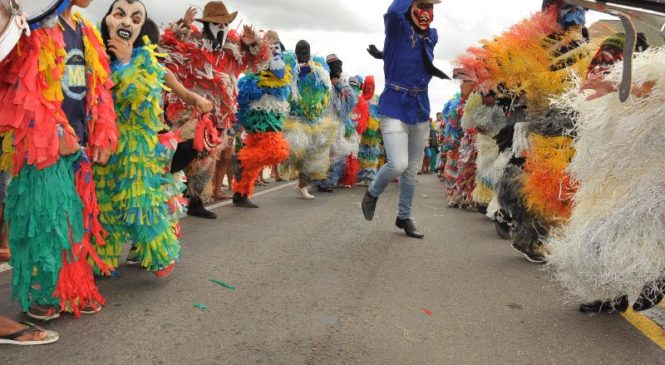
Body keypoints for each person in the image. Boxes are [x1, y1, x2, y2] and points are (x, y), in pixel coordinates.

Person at [0, 0, 118, 320]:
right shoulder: (36, 26)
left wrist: (102, 132)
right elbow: (21, 89)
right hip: (40, 145)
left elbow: (99, 90)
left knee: (75, 223)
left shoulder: (86, 30)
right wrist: (54, 131)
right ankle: (43, 292)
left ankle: (70, 290)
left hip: (77, 143)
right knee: (46, 221)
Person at [94, 0, 187, 279]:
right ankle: (103, 258)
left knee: (140, 202)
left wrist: (125, 62)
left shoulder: (145, 60)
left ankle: (161, 253)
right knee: (104, 203)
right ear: (108, 19)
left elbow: (143, 102)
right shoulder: (95, 55)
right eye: (120, 14)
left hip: (134, 146)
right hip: (102, 143)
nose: (126, 23)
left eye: (135, 19)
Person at [160, 1, 269, 219]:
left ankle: (195, 201)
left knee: (207, 158)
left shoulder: (233, 50)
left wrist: (253, 43)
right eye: (216, 24)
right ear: (206, 25)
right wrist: (180, 28)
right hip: (191, 110)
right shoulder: (193, 43)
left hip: (220, 115)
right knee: (189, 145)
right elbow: (163, 51)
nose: (221, 28)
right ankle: (163, 184)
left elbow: (258, 63)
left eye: (225, 24)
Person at [361, 0, 449, 239]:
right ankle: (372, 192)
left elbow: (413, 58)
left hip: (420, 109)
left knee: (411, 172)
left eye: (430, 8)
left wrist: (386, 54)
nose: (426, 13)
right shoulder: (397, 25)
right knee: (398, 164)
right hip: (395, 106)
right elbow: (393, 12)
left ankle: (404, 216)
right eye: (421, 6)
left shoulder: (431, 36)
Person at [232, 31, 291, 208]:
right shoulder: (257, 68)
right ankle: (241, 162)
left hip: (270, 114)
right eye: (271, 44)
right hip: (259, 115)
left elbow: (281, 77)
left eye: (276, 44)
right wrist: (240, 120)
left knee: (256, 154)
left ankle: (240, 194)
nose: (274, 47)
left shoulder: (276, 60)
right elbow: (242, 97)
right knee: (276, 150)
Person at [281, 40, 336, 200]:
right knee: (297, 151)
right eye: (300, 50)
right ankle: (298, 182)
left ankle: (302, 186)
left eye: (306, 50)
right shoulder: (290, 67)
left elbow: (327, 86)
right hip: (295, 118)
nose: (303, 53)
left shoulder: (318, 68)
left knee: (312, 157)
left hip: (314, 121)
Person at [313, 54, 358, 192]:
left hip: (337, 123)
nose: (338, 68)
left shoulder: (342, 83)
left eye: (339, 65)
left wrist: (339, 85)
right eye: (334, 66)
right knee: (323, 150)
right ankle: (320, 180)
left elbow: (351, 100)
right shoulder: (322, 81)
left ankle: (328, 180)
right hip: (324, 122)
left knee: (336, 151)